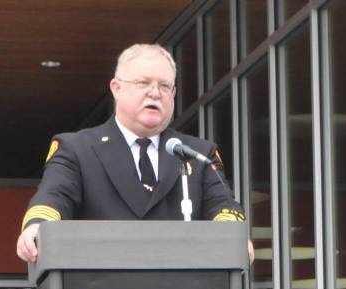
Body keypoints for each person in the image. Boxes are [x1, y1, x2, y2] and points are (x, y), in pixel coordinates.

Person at [17, 43, 249, 263]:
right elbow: (54, 197)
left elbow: (223, 206)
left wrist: (232, 237)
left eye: (164, 86)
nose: (155, 93)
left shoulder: (197, 154)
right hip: (100, 284)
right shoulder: (77, 148)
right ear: (116, 88)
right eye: (143, 83)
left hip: (183, 285)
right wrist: (37, 227)